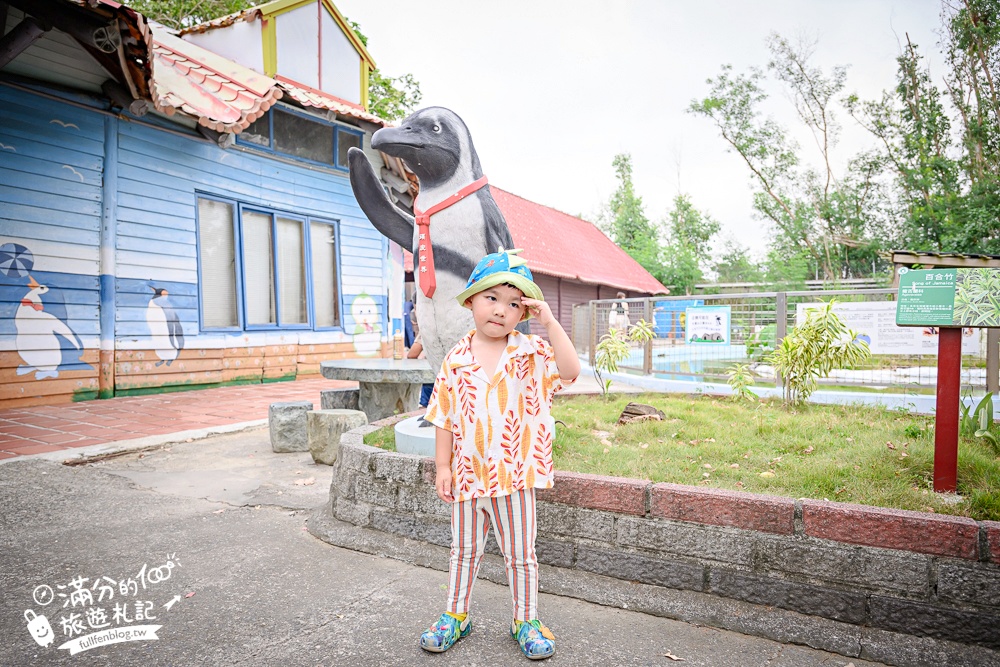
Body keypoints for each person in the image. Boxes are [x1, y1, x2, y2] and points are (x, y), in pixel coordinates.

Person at [419, 248, 580, 660]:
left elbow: (570, 370)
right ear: (472, 299)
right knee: (464, 551)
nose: (501, 310)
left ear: (522, 313)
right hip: (468, 478)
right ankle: (456, 614)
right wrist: (442, 465)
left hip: (516, 478)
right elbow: (444, 417)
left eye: (513, 304)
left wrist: (548, 320)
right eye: (492, 298)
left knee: (521, 555)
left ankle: (525, 619)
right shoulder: (455, 361)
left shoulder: (531, 353)